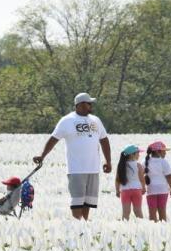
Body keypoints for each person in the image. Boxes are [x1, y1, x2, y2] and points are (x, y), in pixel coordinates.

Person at [33, 92, 112, 220]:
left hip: (93, 168)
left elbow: (104, 140)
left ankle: (84, 224)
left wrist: (108, 161)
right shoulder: (67, 120)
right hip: (76, 168)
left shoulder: (96, 120)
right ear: (79, 105)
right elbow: (53, 139)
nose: (91, 106)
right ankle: (77, 225)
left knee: (89, 201)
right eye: (88, 103)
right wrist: (42, 155)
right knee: (77, 201)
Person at [144, 140, 171, 222]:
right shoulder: (163, 162)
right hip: (163, 190)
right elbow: (169, 177)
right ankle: (163, 229)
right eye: (164, 151)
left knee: (152, 213)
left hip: (151, 190)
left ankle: (153, 230)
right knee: (162, 212)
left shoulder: (145, 162)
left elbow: (141, 174)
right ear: (158, 152)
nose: (165, 153)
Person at [115, 145, 146, 220]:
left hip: (125, 191)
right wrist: (144, 188)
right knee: (138, 211)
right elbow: (142, 179)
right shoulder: (138, 165)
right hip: (137, 190)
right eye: (138, 153)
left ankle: (124, 228)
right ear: (132, 154)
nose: (139, 154)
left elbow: (117, 180)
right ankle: (142, 226)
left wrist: (117, 190)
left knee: (125, 212)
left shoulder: (121, 166)